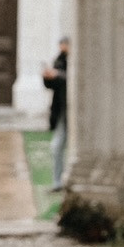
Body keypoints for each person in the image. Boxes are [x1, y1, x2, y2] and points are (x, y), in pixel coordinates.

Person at [43, 38, 69, 187]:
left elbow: (71, 79)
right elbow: (52, 85)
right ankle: (57, 182)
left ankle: (60, 181)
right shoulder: (59, 60)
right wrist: (47, 77)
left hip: (69, 111)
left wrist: (58, 75)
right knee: (57, 146)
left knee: (60, 146)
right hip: (61, 110)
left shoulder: (70, 61)